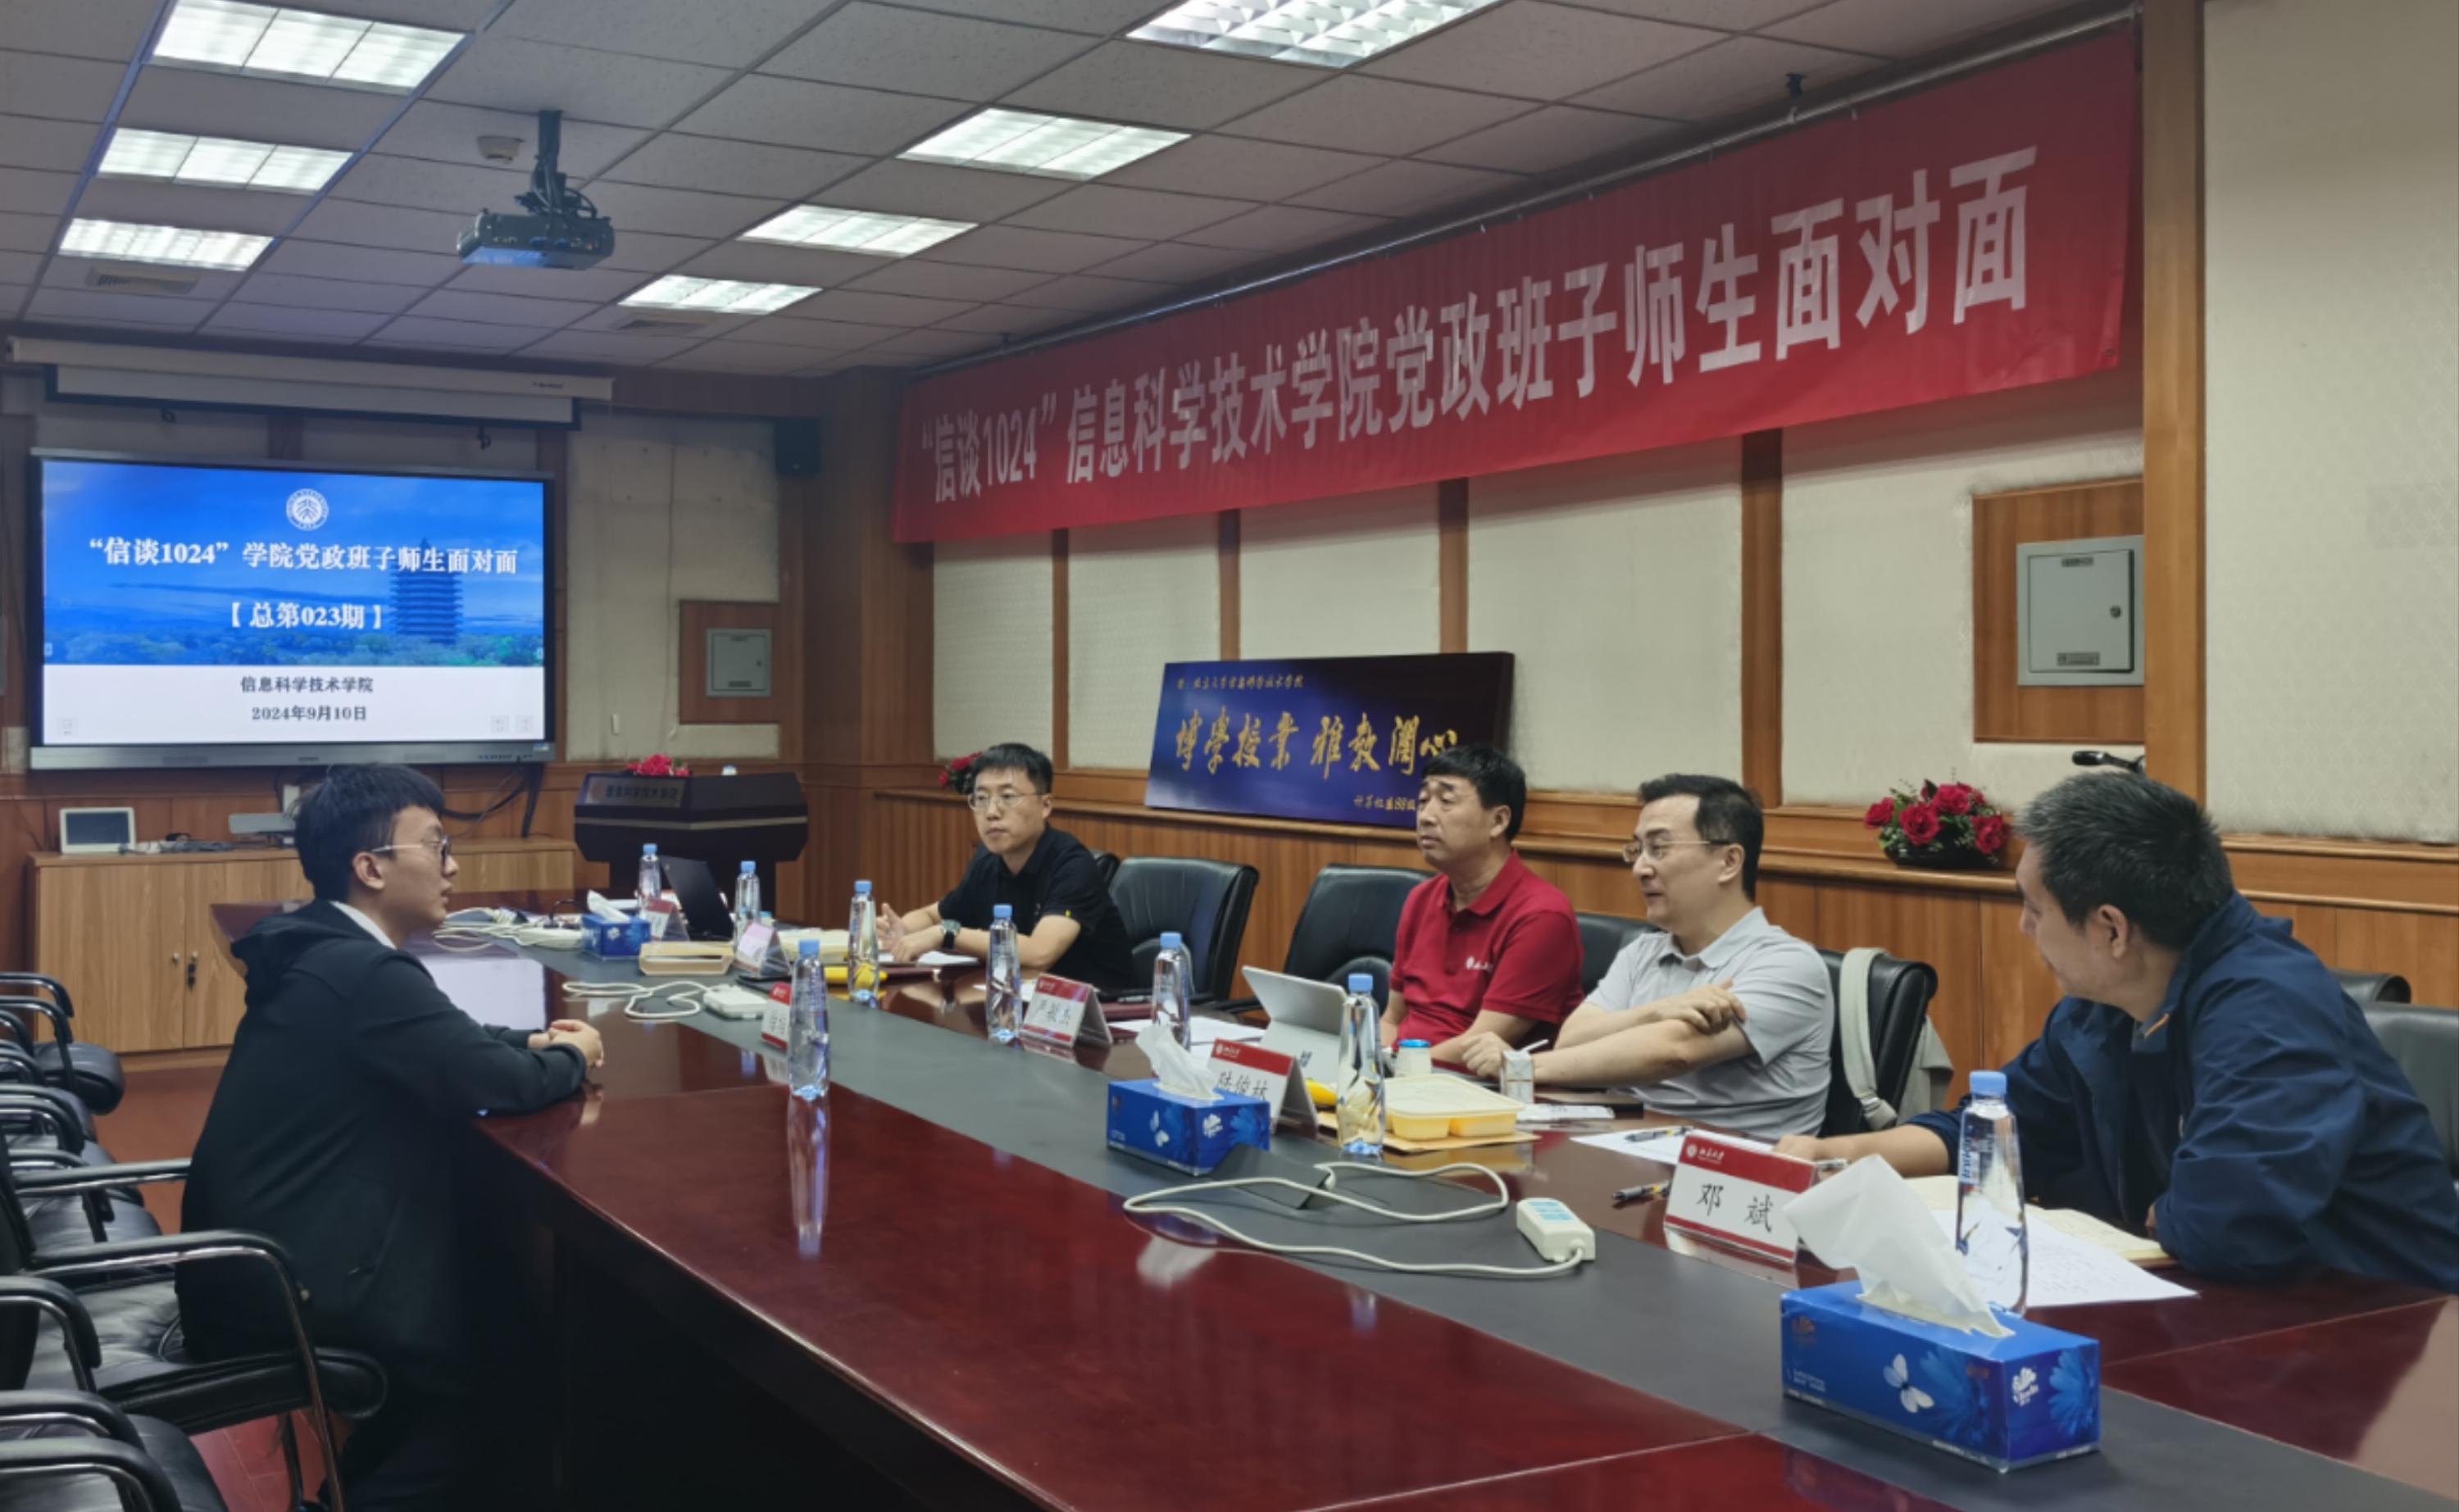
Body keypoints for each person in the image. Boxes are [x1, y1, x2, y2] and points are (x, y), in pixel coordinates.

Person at [1778, 771, 2459, 1292]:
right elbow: (2001, 1127)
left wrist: (2165, 1213)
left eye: (2033, 907)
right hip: (2220, 1309)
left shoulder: (2271, 1010)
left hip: (2382, 1330)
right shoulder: (2109, 1001)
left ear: (2111, 929)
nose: (2023, 927)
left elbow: (2224, 1225)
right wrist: (1834, 1154)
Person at [180, 765, 604, 1511]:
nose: (453, 867)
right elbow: (496, 1080)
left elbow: (445, 1041)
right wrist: (575, 1055)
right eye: (436, 847)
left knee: (495, 1315)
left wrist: (530, 1037)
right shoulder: (363, 971)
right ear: (370, 868)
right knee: (502, 1367)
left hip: (259, 1252)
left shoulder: (326, 947)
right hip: (288, 1273)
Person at [1461, 775, 1833, 1141]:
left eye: (1659, 848)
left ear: (1729, 861)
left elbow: (1674, 1051)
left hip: (1729, 1164)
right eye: (1638, 849)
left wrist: (1521, 1067)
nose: (1640, 868)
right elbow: (1572, 1040)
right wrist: (1656, 1010)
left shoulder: (1788, 964)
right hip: (1629, 1143)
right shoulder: (1644, 951)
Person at [1381, 744, 1583, 1064]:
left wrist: (1396, 1070)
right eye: (1422, 801)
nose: (1426, 816)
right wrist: (1371, 1065)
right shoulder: (1421, 899)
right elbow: (1392, 1019)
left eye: (1446, 802)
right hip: (1402, 1073)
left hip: (1473, 1083)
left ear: (1498, 821)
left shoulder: (1542, 915)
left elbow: (1480, 1046)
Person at [888, 742, 1138, 992]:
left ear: (1045, 806)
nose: (991, 812)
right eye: (981, 799)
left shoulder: (1073, 866)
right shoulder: (988, 860)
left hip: (1101, 1008)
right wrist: (903, 930)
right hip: (1017, 999)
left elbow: (1040, 953)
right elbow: (933, 916)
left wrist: (948, 933)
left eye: (1008, 797)